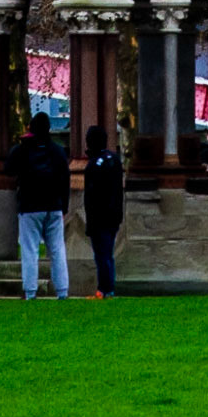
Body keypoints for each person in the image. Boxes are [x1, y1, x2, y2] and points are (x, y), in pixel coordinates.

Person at [6, 111, 70, 300]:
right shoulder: (57, 150)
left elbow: (8, 168)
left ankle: (31, 291)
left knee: (30, 250)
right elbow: (65, 180)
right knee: (57, 249)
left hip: (30, 206)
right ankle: (62, 291)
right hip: (54, 205)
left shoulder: (23, 150)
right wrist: (63, 206)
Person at [83, 124, 124, 298]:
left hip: (100, 217)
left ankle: (104, 289)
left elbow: (91, 197)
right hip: (113, 215)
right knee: (108, 254)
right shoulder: (114, 160)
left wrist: (90, 222)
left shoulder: (94, 165)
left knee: (102, 254)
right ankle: (108, 288)